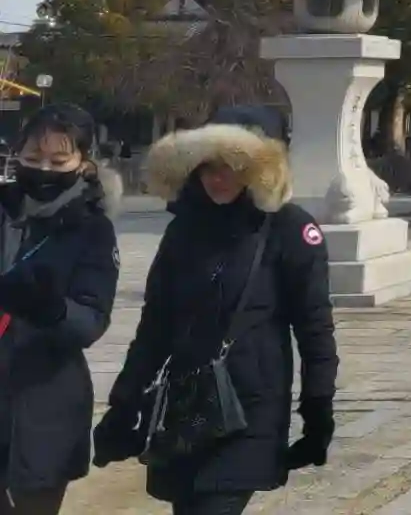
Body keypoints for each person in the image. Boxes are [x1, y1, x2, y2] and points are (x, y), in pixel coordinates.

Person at [94, 105, 339, 515]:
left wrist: (318, 409)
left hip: (249, 410)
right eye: (208, 166)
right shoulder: (184, 227)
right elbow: (155, 326)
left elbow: (315, 328)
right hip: (185, 407)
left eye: (232, 167)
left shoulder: (290, 229)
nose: (218, 178)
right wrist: (125, 403)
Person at [0, 104, 120, 515]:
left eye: (58, 160)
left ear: (83, 162)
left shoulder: (92, 230)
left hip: (42, 408)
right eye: (34, 157)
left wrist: (50, 309)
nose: (44, 169)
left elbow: (91, 321)